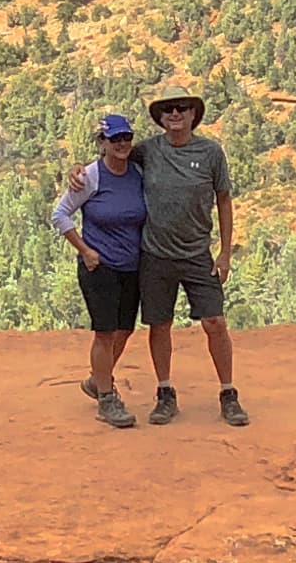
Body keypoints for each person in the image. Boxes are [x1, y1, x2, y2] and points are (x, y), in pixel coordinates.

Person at [132, 93, 243, 427]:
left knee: (215, 322)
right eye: (168, 109)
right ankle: (165, 393)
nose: (175, 113)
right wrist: (76, 173)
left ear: (194, 114)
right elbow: (112, 161)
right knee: (159, 324)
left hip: (198, 254)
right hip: (155, 254)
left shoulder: (210, 153)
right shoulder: (147, 151)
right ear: (160, 117)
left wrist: (225, 252)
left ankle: (228, 393)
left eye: (182, 108)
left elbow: (224, 199)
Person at [50, 113, 145, 426]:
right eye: (114, 139)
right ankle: (107, 398)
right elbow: (60, 215)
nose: (121, 144)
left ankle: (96, 380)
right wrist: (85, 251)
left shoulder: (139, 171)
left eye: (126, 138)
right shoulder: (90, 177)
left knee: (125, 330)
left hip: (132, 266)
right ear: (102, 143)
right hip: (99, 266)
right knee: (105, 333)